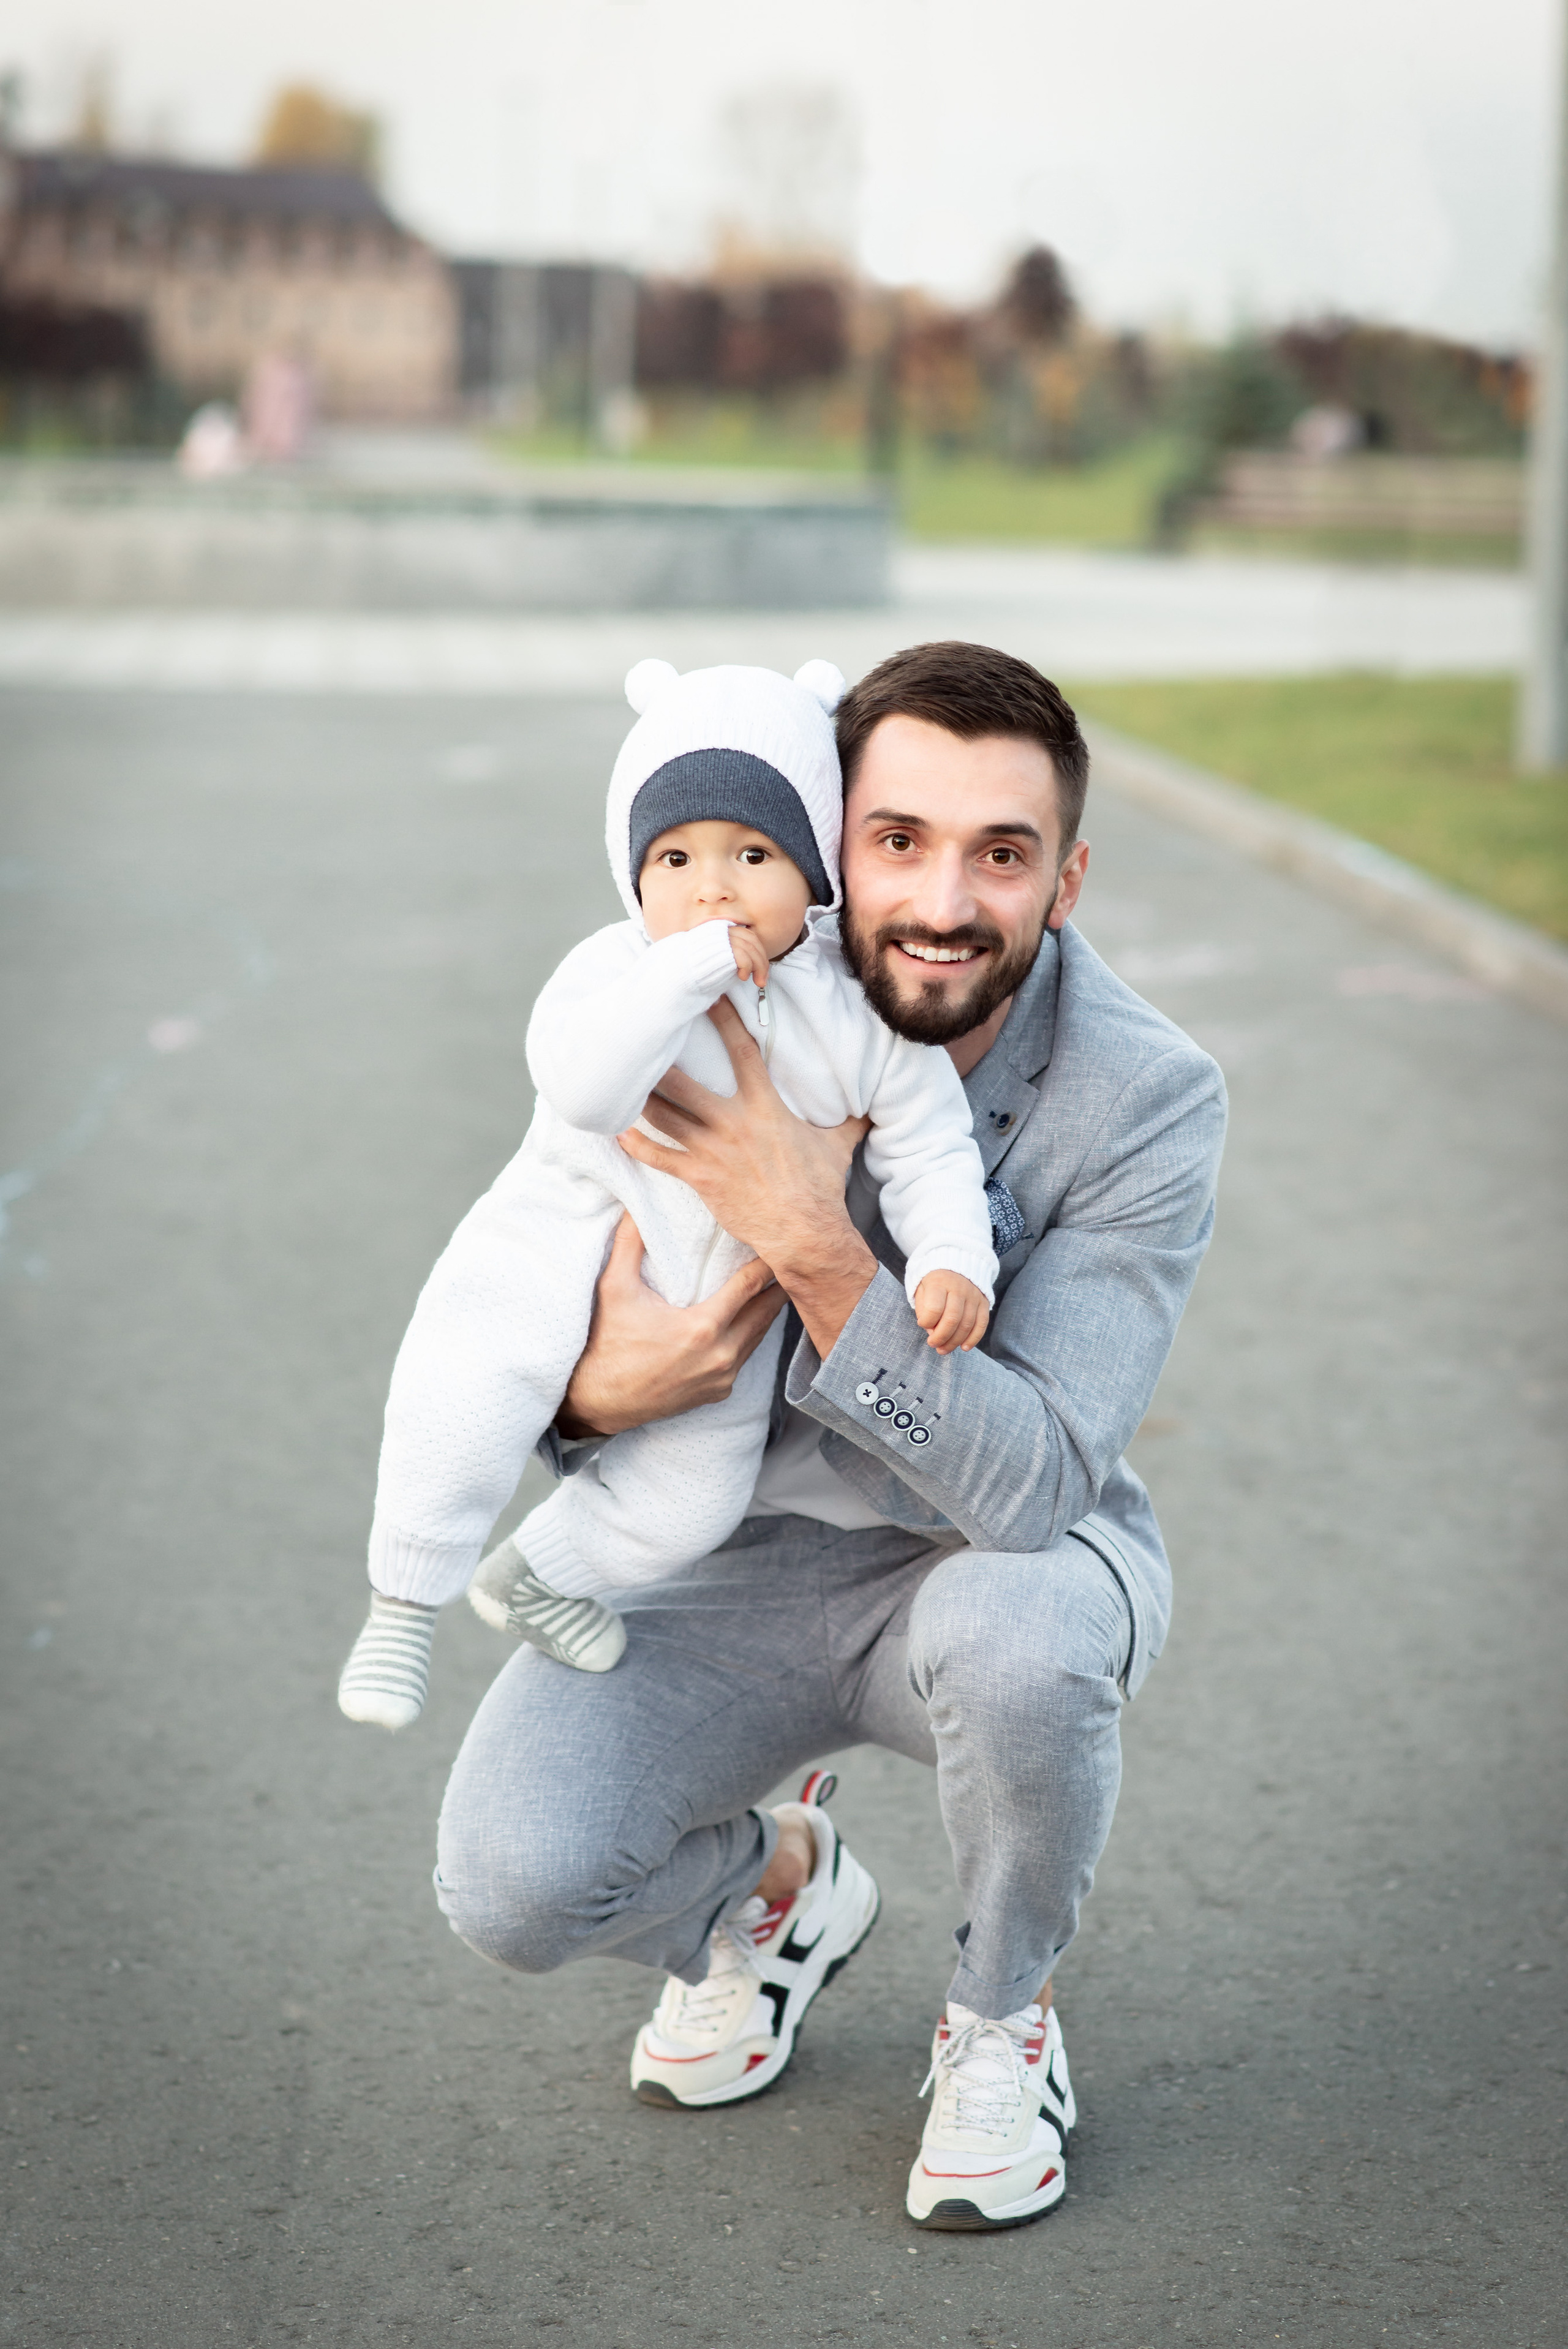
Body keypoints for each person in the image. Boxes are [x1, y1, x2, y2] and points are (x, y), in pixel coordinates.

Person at [433, 640, 1227, 2231]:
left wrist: (814, 1238)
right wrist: (598, 1395)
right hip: (732, 1562)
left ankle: (1003, 2015)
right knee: (510, 1883)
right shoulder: (688, 997)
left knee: (1026, 1630)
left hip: (983, 1562)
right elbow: (532, 1302)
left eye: (1001, 852)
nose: (944, 897)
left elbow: (1035, 1480)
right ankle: (775, 1894)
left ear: (1064, 881)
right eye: (898, 840)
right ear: (826, 839)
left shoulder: (1150, 1098)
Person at [337, 657, 997, 1730]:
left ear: (817, 874)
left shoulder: (858, 1016)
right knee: (465, 1390)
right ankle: (401, 1604)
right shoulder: (610, 970)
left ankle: (536, 1576)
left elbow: (932, 1147)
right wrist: (684, 972)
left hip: (732, 1287)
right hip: (569, 1223)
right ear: (632, 874)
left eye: (754, 855)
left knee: (691, 1504)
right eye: (676, 859)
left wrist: (952, 1259)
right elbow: (587, 1089)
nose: (713, 887)